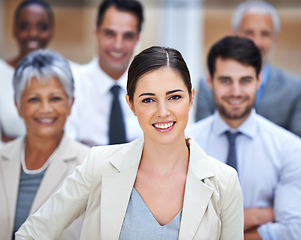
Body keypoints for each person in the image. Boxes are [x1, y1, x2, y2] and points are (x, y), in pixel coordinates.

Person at [16, 46, 243, 240]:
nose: (163, 112)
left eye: (174, 97)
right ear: (131, 104)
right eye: (148, 100)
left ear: (191, 98)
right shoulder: (99, 166)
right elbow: (33, 233)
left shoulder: (224, 182)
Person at [187, 36, 301, 239]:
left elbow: (293, 230)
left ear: (259, 80)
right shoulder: (185, 144)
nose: (236, 92)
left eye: (245, 80)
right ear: (210, 81)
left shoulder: (289, 148)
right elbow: (180, 225)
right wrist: (261, 215)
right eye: (225, 80)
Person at [0, 49, 90, 239]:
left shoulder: (90, 165)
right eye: (34, 99)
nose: (45, 109)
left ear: (70, 104)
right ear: (18, 106)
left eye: (55, 98)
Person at [194, 0, 301, 137]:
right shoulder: (206, 86)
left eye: (265, 34)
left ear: (275, 38)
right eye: (249, 32)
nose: (256, 42)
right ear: (234, 34)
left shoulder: (294, 89)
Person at [65, 0, 144, 146]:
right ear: (96, 31)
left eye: (127, 36)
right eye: (110, 33)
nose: (117, 45)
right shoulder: (73, 84)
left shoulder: (150, 89)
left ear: (138, 38)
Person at [0, 0, 54, 144]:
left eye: (42, 27)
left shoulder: (64, 74)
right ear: (14, 30)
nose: (33, 33)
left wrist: (10, 140)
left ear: (51, 31)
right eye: (24, 26)